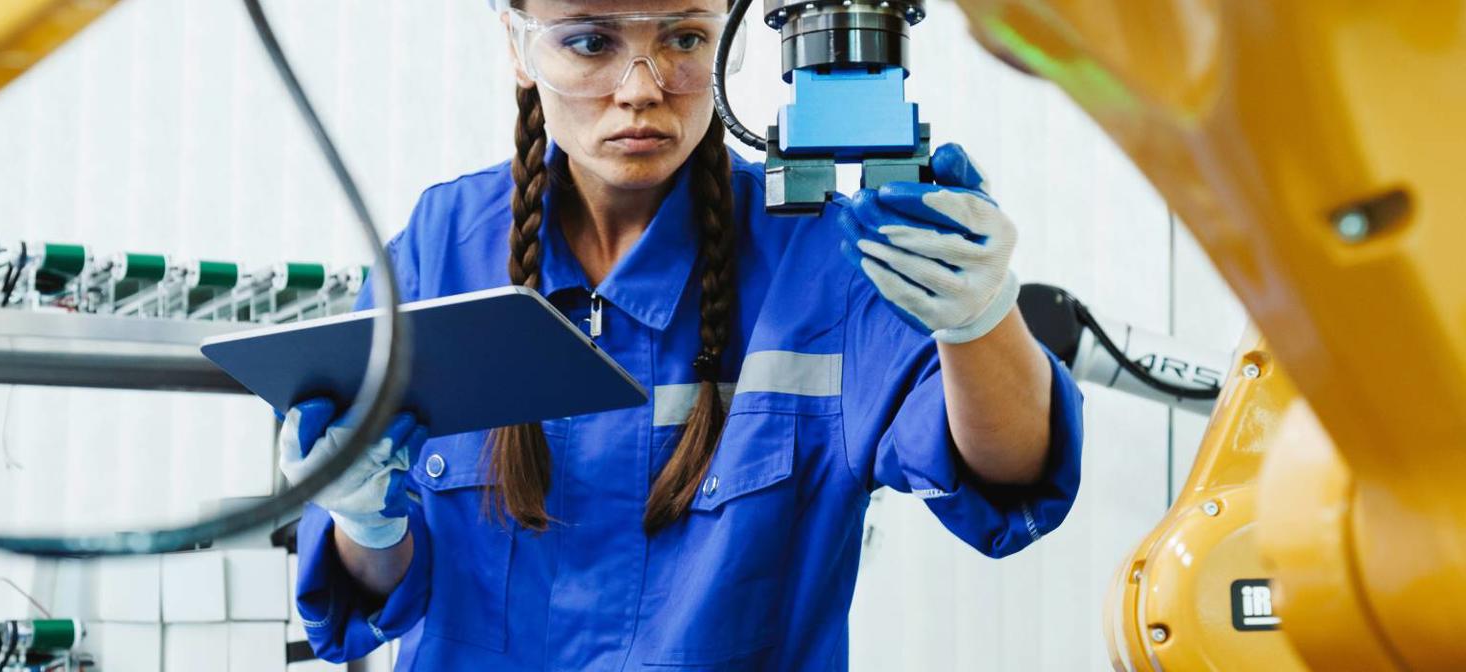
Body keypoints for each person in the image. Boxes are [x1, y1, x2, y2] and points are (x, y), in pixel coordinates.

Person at [275, 1, 1084, 668]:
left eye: (683, 39)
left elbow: (1009, 478)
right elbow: (369, 596)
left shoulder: (819, 260)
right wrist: (362, 521)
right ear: (518, 44)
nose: (641, 89)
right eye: (590, 43)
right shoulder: (441, 248)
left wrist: (980, 321)